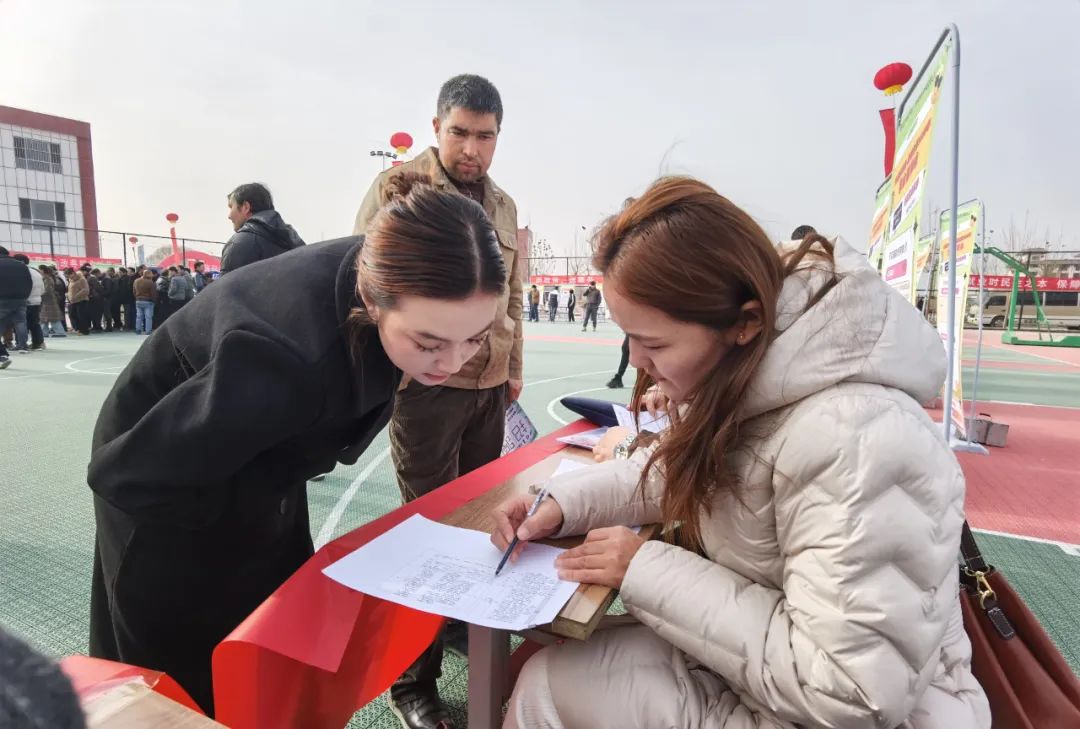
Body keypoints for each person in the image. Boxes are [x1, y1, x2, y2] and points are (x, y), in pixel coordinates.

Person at [492, 177, 990, 729]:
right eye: (628, 337)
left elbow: (853, 692)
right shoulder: (756, 381)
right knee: (550, 674)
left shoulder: (855, 437)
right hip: (775, 678)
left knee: (550, 689)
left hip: (864, 712)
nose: (636, 362)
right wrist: (559, 503)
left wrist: (643, 568)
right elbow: (670, 474)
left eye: (653, 343)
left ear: (745, 323)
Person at [88, 173, 507, 718]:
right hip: (165, 471)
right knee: (182, 674)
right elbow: (126, 476)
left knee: (276, 624)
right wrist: (231, 543)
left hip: (259, 455)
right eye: (428, 343)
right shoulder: (286, 360)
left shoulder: (398, 268)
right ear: (371, 297)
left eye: (475, 339)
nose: (452, 364)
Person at [352, 73, 522, 729]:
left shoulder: (503, 204)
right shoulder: (401, 188)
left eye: (485, 136)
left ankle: (455, 624)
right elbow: (369, 288)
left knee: (476, 525)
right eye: (460, 133)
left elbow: (511, 296)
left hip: (487, 387)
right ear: (436, 128)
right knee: (429, 531)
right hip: (426, 390)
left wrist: (512, 369)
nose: (471, 149)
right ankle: (410, 682)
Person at [220, 183, 306, 273]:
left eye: (231, 207)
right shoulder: (295, 242)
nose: (229, 216)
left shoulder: (239, 243)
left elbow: (226, 282)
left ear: (246, 207)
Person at [0, 246, 32, 368]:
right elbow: (29, 283)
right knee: (20, 323)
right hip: (20, 300)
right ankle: (23, 345)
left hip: (2, 299)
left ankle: (2, 356)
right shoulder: (21, 265)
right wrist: (24, 296)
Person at [14, 255, 45, 351]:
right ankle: (38, 343)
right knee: (35, 323)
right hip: (36, 301)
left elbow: (23, 287)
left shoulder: (21, 272)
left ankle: (21, 344)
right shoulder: (36, 272)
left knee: (21, 323)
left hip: (25, 301)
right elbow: (43, 289)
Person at [38, 266, 66, 337]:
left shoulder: (47, 279)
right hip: (48, 300)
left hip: (48, 301)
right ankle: (44, 332)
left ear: (43, 270)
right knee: (46, 318)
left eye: (40, 269)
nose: (39, 271)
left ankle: (59, 332)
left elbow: (47, 290)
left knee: (52, 318)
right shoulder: (47, 278)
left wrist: (39, 294)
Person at [132, 269, 157, 335]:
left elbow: (134, 291)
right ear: (148, 274)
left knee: (139, 316)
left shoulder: (136, 281)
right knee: (148, 317)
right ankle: (148, 331)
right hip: (148, 301)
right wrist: (154, 301)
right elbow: (153, 294)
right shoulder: (150, 282)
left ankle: (138, 330)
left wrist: (137, 297)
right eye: (151, 273)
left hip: (138, 300)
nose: (152, 275)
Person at [67, 271, 90, 335]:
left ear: (73, 273)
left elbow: (86, 290)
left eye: (69, 275)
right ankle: (79, 329)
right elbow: (70, 290)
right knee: (72, 315)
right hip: (73, 301)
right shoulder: (71, 281)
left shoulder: (82, 279)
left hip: (82, 300)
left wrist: (76, 296)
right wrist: (68, 296)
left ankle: (85, 331)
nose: (69, 277)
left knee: (81, 316)